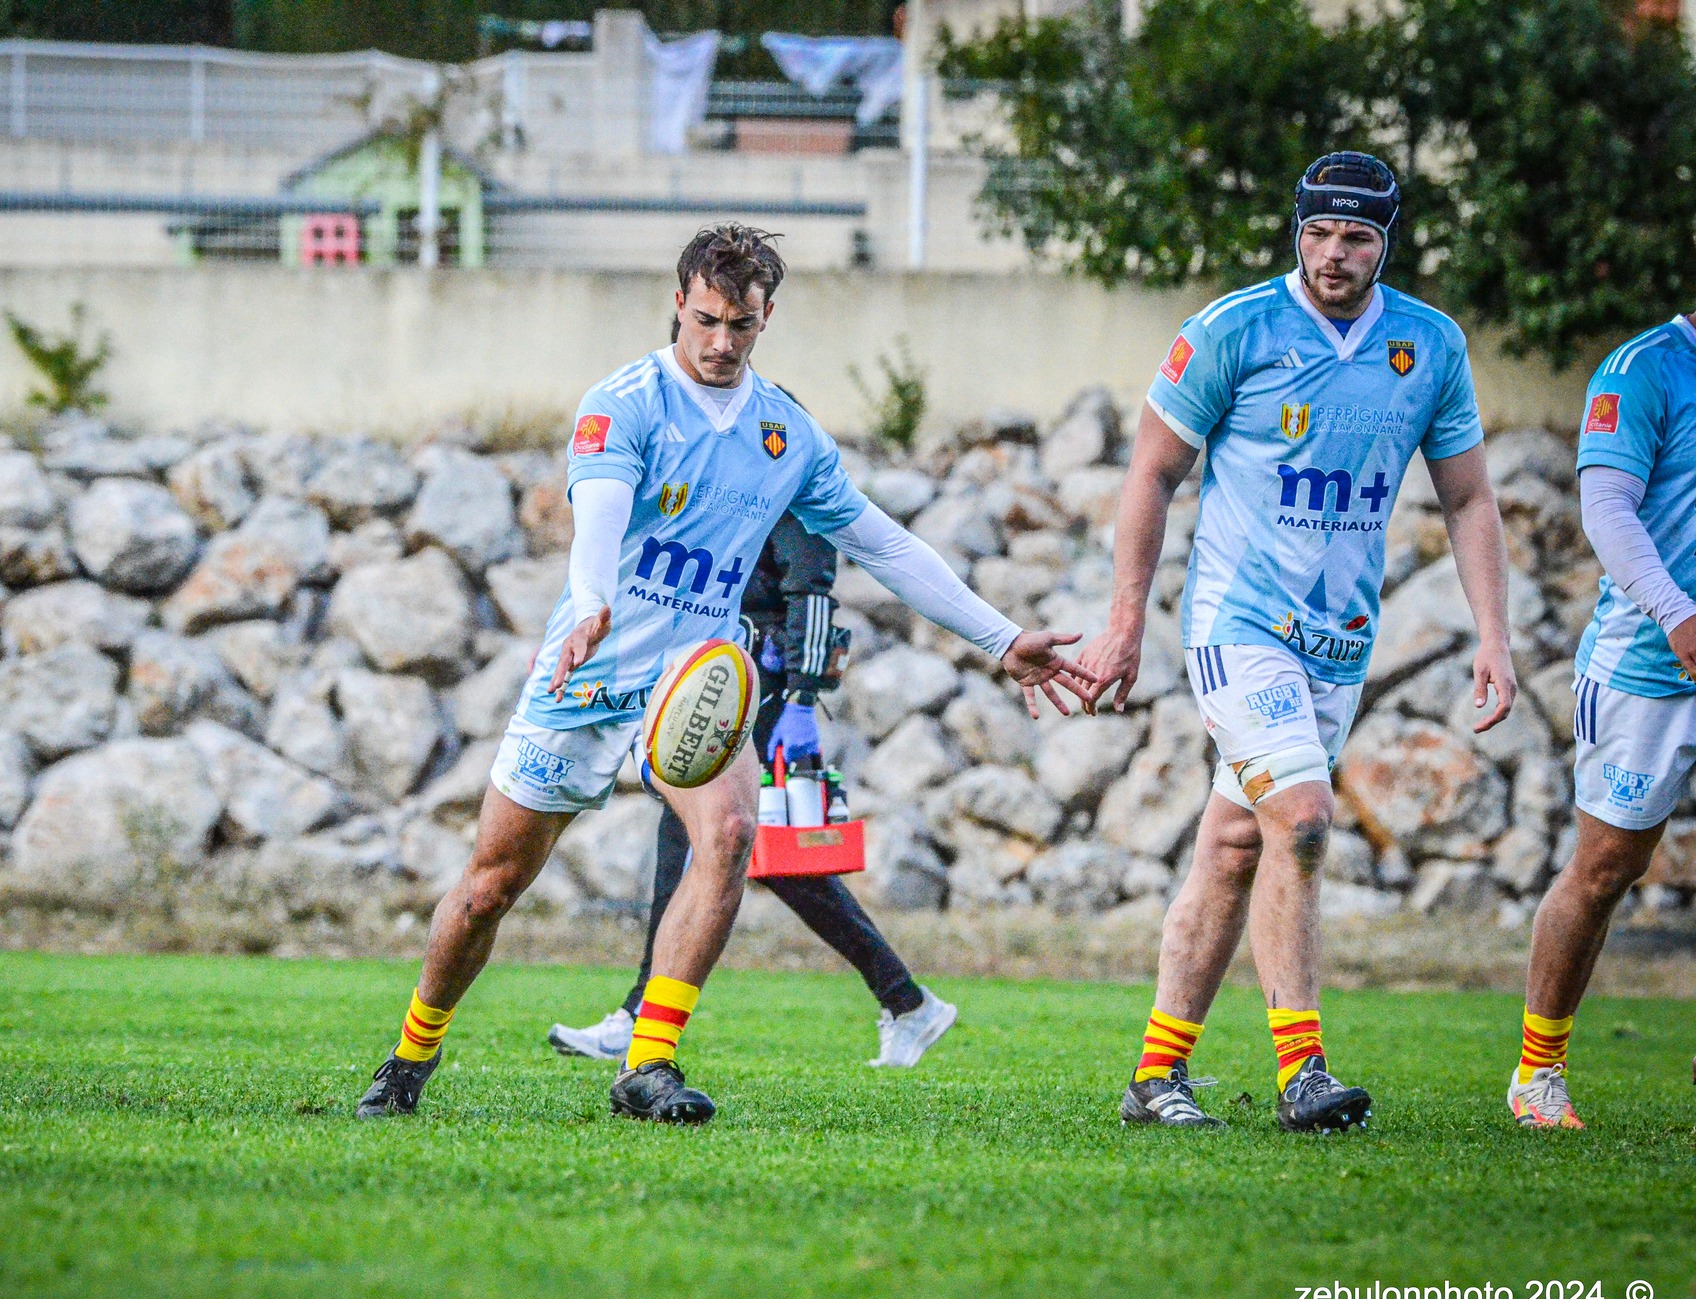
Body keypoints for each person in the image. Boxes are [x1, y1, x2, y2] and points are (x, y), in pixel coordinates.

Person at [355, 222, 1094, 1125]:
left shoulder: (785, 430)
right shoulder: (622, 402)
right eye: (705, 319)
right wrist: (590, 597)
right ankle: (410, 1057)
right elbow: (598, 515)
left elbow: (882, 543)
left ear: (765, 318)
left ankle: (649, 1062)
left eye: (739, 325)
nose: (719, 342)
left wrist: (998, 635)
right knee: (488, 889)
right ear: (678, 303)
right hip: (589, 667)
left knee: (735, 833)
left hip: (697, 674)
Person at [1076, 152, 1517, 1132]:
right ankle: (1302, 1070)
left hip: (1336, 646)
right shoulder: (1233, 329)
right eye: (1316, 232)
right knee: (1305, 819)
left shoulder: (1428, 346)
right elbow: (1149, 473)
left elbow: (1466, 495)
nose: (1331, 253)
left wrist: (1493, 634)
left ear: (1387, 240)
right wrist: (1122, 621)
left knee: (1235, 843)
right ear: (1295, 229)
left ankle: (1154, 1080)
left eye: (1354, 236)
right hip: (1235, 626)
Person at [547, 511, 958, 1069]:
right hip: (719, 667)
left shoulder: (788, 466)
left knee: (699, 837)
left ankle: (640, 1015)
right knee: (755, 854)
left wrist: (802, 701)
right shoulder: (734, 473)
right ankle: (905, 1000)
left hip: (757, 681)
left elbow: (811, 589)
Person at [1504, 311, 1696, 1130]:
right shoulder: (1643, 368)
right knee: (1607, 866)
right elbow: (1607, 510)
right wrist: (1679, 615)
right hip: (1650, 665)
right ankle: (1537, 1073)